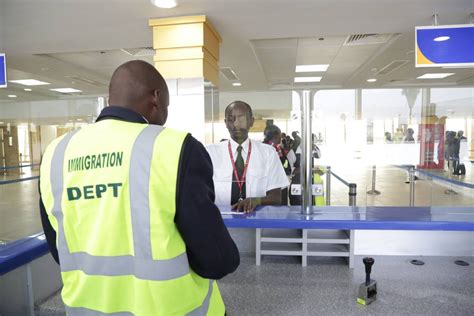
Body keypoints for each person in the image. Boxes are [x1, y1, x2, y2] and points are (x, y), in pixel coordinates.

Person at [39, 60, 239, 315]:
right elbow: (217, 260)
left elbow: (60, 250)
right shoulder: (175, 148)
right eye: (166, 105)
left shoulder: (57, 154)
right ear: (156, 98)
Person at [206, 101, 289, 213]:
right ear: (226, 123)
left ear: (251, 121)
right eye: (231, 119)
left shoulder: (268, 153)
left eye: (241, 119)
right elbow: (200, 193)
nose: (236, 124)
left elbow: (276, 197)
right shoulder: (210, 153)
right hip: (220, 223)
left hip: (257, 224)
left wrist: (256, 201)